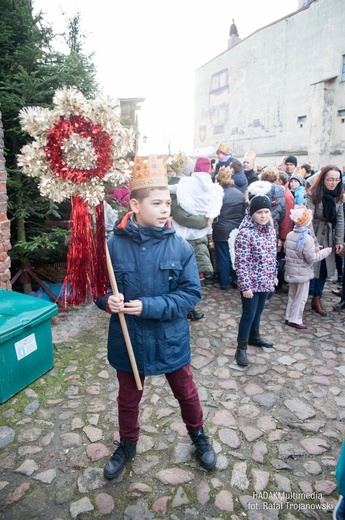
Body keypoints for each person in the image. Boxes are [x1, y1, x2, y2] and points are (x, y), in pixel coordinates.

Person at [95, 155, 217, 480]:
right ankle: (127, 443)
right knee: (127, 398)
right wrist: (109, 301)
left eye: (168, 202)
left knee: (187, 392)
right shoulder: (112, 247)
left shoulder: (180, 248)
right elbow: (97, 289)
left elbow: (190, 295)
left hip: (170, 340)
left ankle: (198, 435)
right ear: (135, 204)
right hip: (128, 339)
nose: (166, 209)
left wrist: (148, 306)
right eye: (157, 203)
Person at [234, 195, 278, 367]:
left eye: (266, 212)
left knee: (259, 311)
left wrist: (274, 274)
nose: (263, 216)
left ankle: (255, 336)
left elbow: (272, 255)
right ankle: (241, 348)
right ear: (252, 213)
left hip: (266, 280)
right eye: (259, 212)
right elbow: (241, 262)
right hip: (251, 283)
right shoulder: (245, 233)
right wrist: (245, 285)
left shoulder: (270, 230)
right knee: (248, 314)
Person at [169, 152, 223, 291]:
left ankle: (187, 301)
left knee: (185, 271)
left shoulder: (184, 184)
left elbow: (181, 215)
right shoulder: (213, 188)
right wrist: (208, 219)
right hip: (198, 234)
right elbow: (215, 207)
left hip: (182, 234)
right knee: (190, 272)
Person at [284, 207, 331, 329]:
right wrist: (325, 252)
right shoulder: (307, 238)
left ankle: (289, 316)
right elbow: (311, 258)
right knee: (301, 297)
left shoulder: (290, 235)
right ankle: (296, 318)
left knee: (292, 294)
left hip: (291, 270)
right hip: (303, 273)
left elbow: (289, 250)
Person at [306, 165, 344, 316]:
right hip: (314, 232)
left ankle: (317, 297)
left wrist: (340, 240)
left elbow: (340, 219)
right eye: (330, 179)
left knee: (323, 268)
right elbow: (308, 219)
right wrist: (314, 242)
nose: (333, 183)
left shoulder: (338, 196)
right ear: (323, 179)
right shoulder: (313, 195)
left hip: (329, 235)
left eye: (336, 179)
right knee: (312, 265)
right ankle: (307, 293)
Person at [212, 167, 245, 290]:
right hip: (235, 230)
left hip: (221, 229)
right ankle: (236, 280)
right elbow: (243, 213)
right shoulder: (240, 194)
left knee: (223, 256)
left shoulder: (218, 195)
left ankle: (224, 282)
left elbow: (213, 213)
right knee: (235, 255)